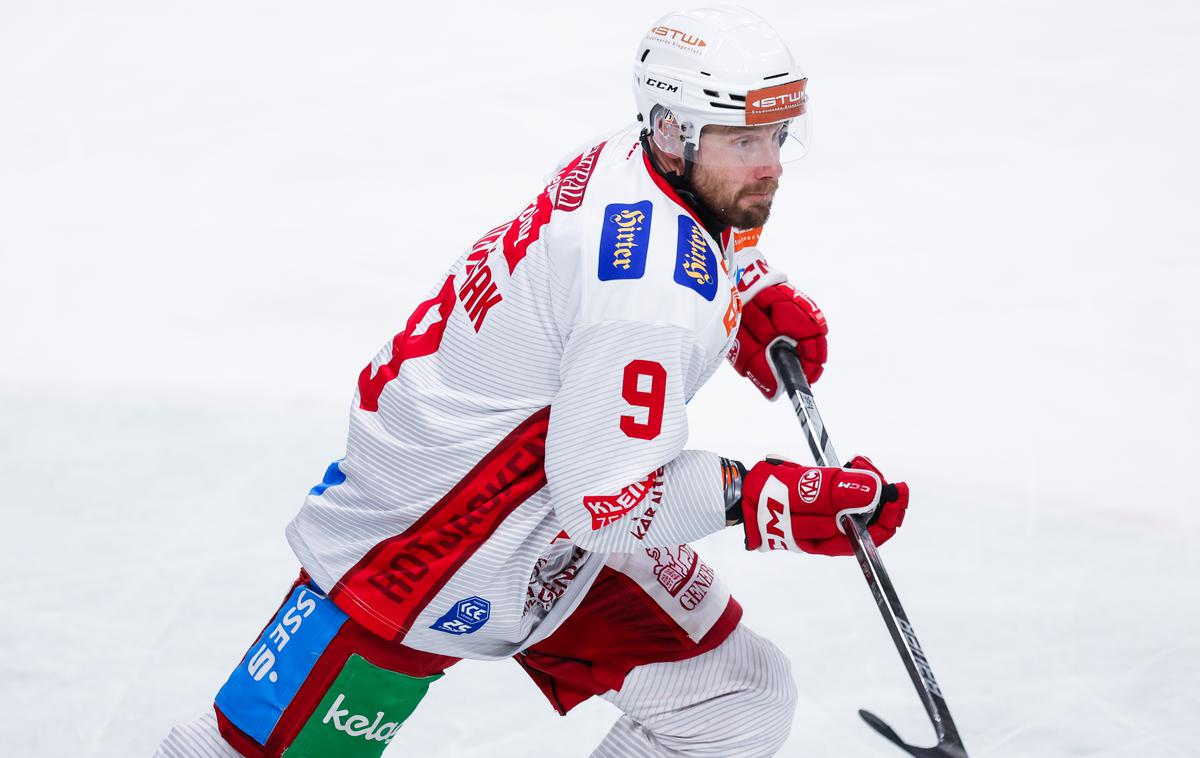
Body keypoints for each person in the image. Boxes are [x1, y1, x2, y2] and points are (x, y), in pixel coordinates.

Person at [157, 6, 909, 757]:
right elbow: (610, 509)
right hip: (432, 542)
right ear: (674, 131)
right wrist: (768, 498)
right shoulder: (648, 295)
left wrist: (748, 282)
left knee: (733, 695)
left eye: (777, 135)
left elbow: (678, 256)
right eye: (744, 140)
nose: (770, 163)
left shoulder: (634, 157)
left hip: (539, 505)